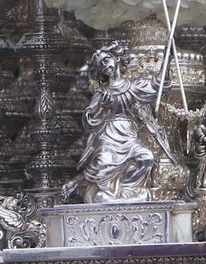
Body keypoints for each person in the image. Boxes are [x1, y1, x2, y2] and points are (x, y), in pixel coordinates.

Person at [62, 41, 176, 203]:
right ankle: (83, 184)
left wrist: (167, 60)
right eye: (101, 64)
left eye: (107, 59)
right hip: (109, 134)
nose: (105, 65)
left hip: (128, 134)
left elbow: (158, 84)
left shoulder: (133, 86)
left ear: (116, 59)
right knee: (104, 163)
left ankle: (128, 192)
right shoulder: (102, 92)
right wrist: (103, 107)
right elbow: (88, 118)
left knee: (146, 158)